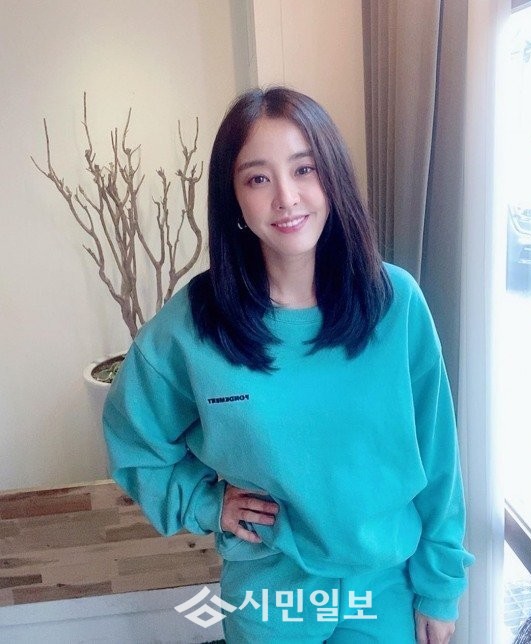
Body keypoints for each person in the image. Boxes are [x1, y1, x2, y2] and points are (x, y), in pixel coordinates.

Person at [102, 86, 474, 644]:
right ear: (233, 199)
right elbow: (133, 438)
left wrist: (440, 586)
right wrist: (205, 504)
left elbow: (438, 454)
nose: (286, 198)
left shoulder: (395, 302)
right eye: (258, 179)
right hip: (268, 592)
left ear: (333, 177)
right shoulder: (196, 322)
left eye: (304, 169)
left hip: (385, 586)